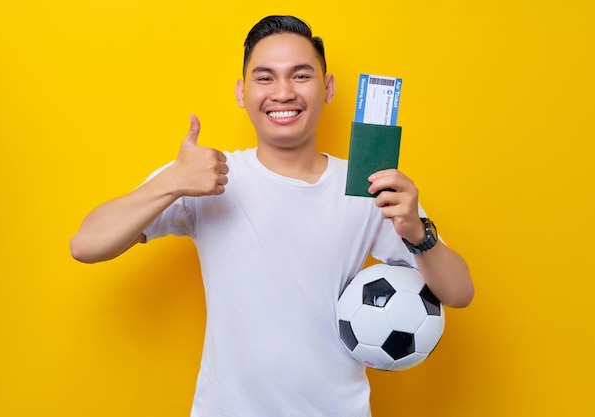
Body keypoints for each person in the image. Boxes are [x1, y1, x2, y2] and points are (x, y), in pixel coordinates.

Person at [71, 15, 474, 417]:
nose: (283, 93)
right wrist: (171, 182)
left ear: (328, 87)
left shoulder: (366, 186)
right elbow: (86, 245)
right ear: (241, 92)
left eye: (301, 76)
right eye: (264, 78)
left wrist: (418, 232)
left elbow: (459, 293)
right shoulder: (207, 175)